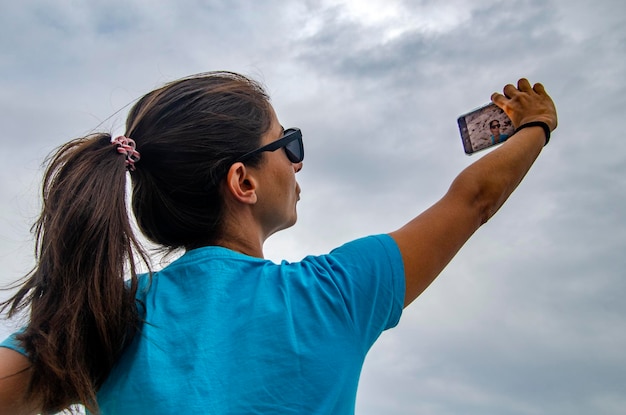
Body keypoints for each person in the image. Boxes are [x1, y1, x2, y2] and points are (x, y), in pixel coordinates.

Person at [0, 72, 557, 414]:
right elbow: (474, 200)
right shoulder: (334, 295)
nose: (297, 161)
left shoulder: (102, 315)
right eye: (287, 143)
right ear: (242, 181)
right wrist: (538, 124)